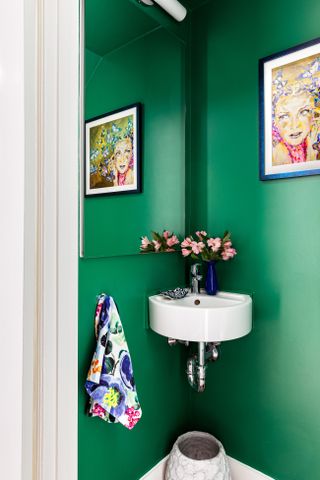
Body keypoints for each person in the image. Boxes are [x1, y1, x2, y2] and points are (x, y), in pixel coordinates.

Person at [272, 58, 320, 165]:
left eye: (303, 112)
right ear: (274, 121)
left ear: (313, 114)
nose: (294, 125)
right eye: (284, 116)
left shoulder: (312, 146)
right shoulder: (277, 155)